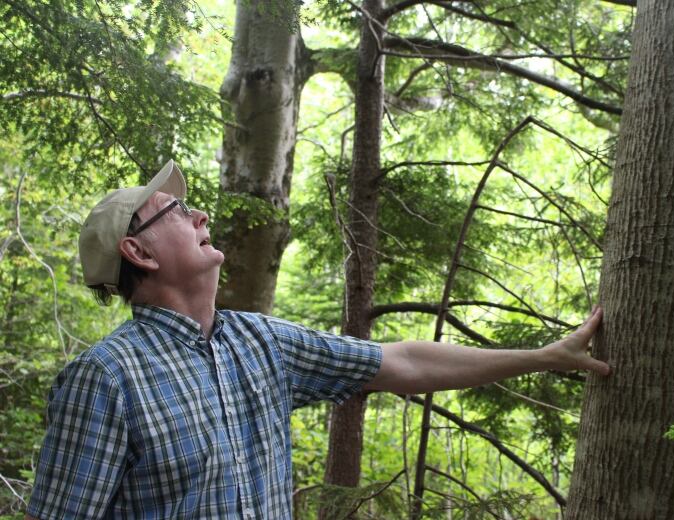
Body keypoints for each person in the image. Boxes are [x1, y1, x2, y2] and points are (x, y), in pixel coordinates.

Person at [25, 161, 610, 519]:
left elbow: (400, 361)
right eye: (177, 209)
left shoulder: (262, 344)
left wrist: (544, 356)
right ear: (139, 252)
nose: (201, 213)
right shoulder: (104, 379)